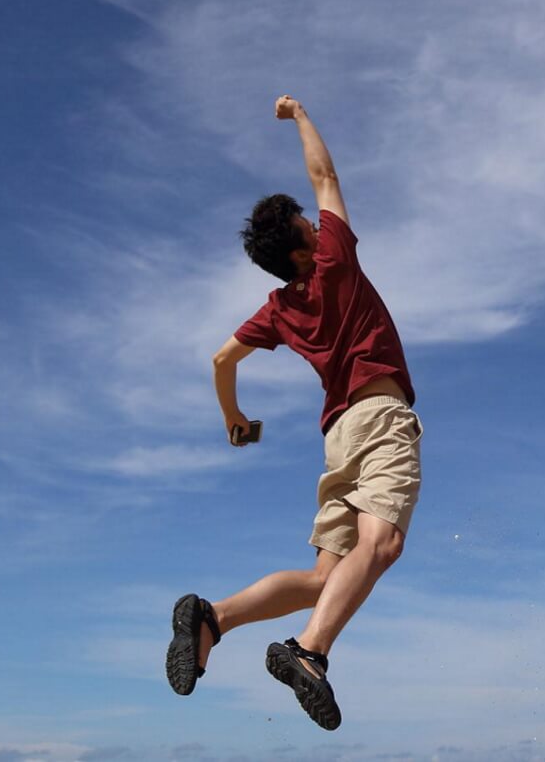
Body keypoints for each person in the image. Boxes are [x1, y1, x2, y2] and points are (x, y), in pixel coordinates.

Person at [165, 96, 423, 730]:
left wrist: (235, 419)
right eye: (308, 224)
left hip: (338, 436)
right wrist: (301, 116)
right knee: (383, 543)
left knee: (324, 578)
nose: (316, 220)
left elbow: (222, 360)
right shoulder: (335, 262)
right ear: (306, 247)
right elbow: (326, 178)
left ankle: (213, 618)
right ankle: (310, 652)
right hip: (380, 418)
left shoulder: (279, 307)